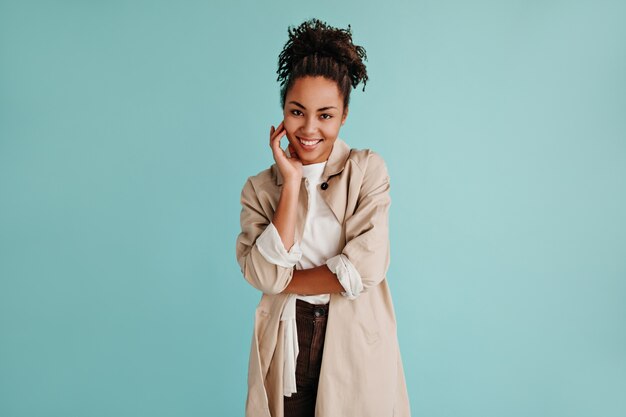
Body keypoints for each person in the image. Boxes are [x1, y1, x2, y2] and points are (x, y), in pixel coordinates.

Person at [235, 18, 411, 417]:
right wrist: (293, 183)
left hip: (353, 334)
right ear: (283, 112)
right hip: (287, 339)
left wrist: (286, 281)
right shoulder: (260, 189)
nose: (309, 128)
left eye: (325, 115)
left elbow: (365, 267)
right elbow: (263, 276)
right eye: (297, 112)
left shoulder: (367, 171)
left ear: (344, 115)